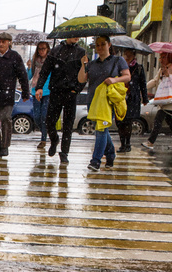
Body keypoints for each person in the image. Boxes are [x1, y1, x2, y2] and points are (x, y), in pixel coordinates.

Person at [78, 36, 130, 171]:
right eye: (97, 45)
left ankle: (95, 161)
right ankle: (111, 153)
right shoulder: (92, 64)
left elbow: (127, 76)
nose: (100, 47)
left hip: (107, 101)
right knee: (102, 129)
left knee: (101, 129)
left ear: (109, 45)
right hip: (93, 100)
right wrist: (83, 64)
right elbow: (82, 79)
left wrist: (114, 80)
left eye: (103, 44)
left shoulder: (118, 60)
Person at [36, 36, 86, 164]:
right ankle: (54, 139)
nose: (76, 37)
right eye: (73, 35)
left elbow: (85, 73)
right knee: (49, 121)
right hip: (56, 91)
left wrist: (77, 88)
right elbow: (45, 70)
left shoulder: (81, 52)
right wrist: (39, 87)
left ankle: (64, 152)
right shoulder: (55, 51)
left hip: (71, 92)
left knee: (68, 125)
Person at [115, 48, 148, 153]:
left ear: (134, 55)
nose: (127, 57)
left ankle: (127, 143)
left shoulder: (138, 68)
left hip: (132, 98)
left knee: (128, 121)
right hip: (120, 97)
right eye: (126, 54)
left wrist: (145, 98)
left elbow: (143, 84)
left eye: (129, 55)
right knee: (119, 121)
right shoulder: (120, 67)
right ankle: (122, 144)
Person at [141, 52, 172, 152]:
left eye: (163, 57)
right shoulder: (161, 69)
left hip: (170, 103)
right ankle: (150, 142)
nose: (161, 60)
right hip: (163, 102)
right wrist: (143, 87)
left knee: (158, 121)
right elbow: (155, 81)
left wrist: (169, 75)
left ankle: (150, 142)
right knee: (169, 122)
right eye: (160, 58)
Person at [27, 41, 51, 149]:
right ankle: (46, 132)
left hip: (47, 91)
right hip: (35, 91)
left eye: (44, 49)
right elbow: (29, 76)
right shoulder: (34, 61)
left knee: (44, 116)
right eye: (40, 49)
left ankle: (43, 138)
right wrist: (28, 68)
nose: (41, 51)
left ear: (47, 49)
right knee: (37, 116)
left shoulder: (50, 62)